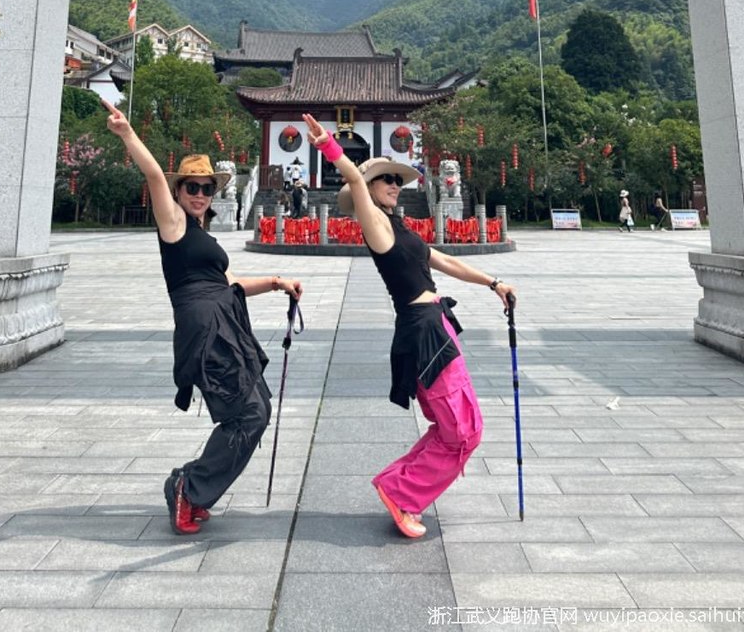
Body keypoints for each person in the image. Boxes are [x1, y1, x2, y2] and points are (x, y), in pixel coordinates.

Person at [302, 111, 514, 541]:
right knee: (461, 431)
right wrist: (327, 144)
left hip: (437, 326)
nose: (395, 185)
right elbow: (354, 178)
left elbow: (446, 261)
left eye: (397, 179)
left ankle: (398, 484)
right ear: (368, 189)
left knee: (457, 427)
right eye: (386, 179)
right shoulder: (376, 227)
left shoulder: (401, 230)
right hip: (423, 332)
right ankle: (402, 493)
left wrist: (494, 283)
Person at [102, 98, 302, 535]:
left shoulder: (201, 236)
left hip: (227, 323)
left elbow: (231, 282)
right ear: (178, 192)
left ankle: (188, 484)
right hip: (206, 329)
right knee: (247, 414)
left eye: (206, 188)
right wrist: (128, 133)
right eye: (191, 186)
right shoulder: (173, 224)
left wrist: (276, 281)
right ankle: (190, 489)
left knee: (257, 408)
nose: (199, 194)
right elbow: (154, 175)